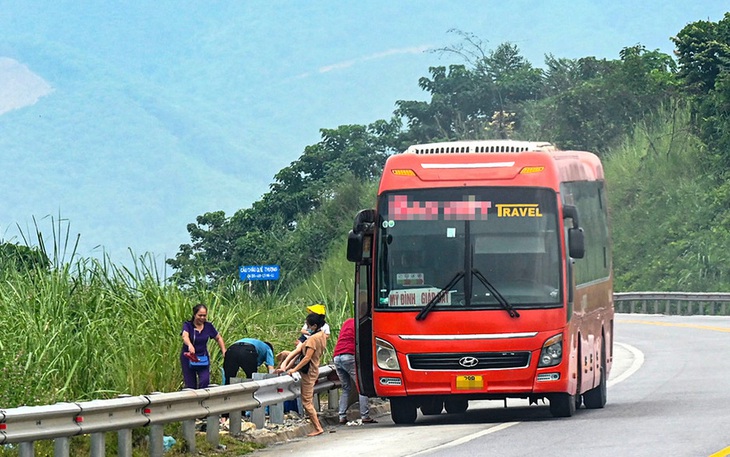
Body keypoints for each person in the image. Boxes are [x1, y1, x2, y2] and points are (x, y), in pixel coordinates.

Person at [277, 313, 327, 437]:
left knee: (306, 402)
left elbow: (306, 358)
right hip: (313, 369)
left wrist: (294, 369)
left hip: (309, 372)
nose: (307, 328)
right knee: (307, 400)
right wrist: (287, 367)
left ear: (314, 326)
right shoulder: (322, 335)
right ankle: (317, 426)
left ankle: (318, 427)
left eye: (308, 326)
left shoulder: (312, 339)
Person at [333, 318, 376, 424]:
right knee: (362, 386)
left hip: (337, 356)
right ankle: (365, 416)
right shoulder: (362, 323)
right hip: (349, 355)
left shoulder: (347, 322)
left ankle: (342, 416)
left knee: (346, 388)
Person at [180, 304, 226, 389]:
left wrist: (224, 350)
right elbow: (184, 336)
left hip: (202, 357)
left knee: (205, 381)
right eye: (200, 315)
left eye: (204, 315)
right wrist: (190, 345)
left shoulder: (208, 326)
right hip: (189, 357)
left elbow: (218, 338)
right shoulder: (188, 325)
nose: (202, 318)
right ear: (194, 314)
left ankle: (202, 401)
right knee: (191, 385)